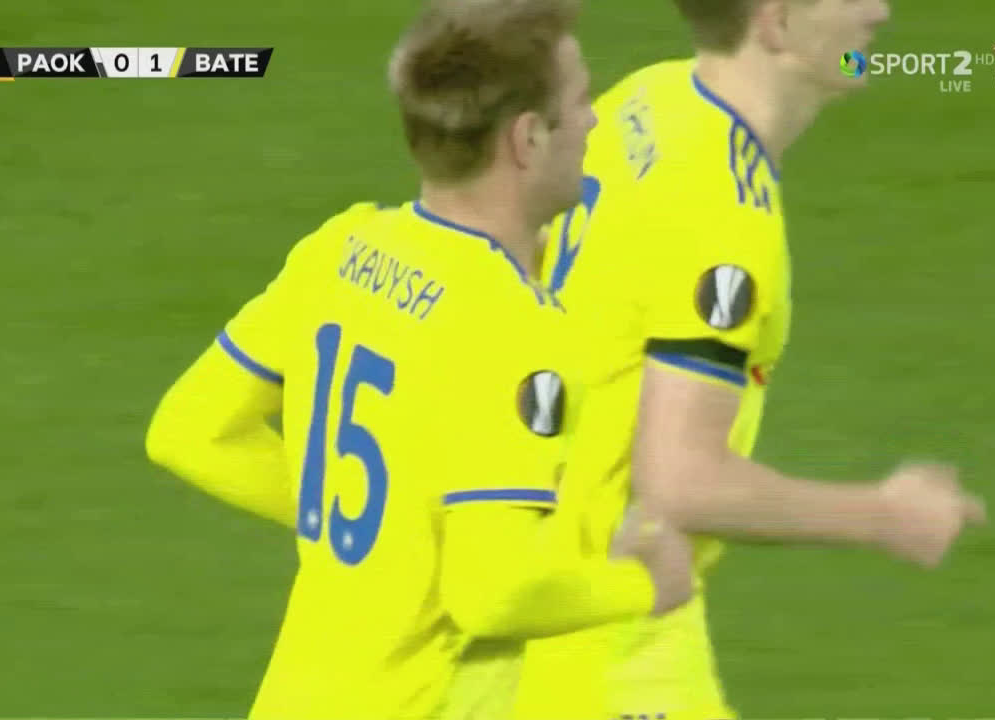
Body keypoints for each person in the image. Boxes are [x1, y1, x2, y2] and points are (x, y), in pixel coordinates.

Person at [145, 1, 694, 718]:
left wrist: (372, 537)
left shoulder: (342, 250)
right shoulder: (514, 329)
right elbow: (492, 597)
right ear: (527, 138)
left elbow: (190, 430)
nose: (595, 122)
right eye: (582, 101)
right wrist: (646, 583)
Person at [513, 1, 987, 718]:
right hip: (606, 635)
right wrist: (887, 516)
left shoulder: (650, 97)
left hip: (562, 583)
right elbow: (679, 480)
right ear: (776, 23)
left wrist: (968, 65)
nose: (879, 10)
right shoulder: (720, 210)